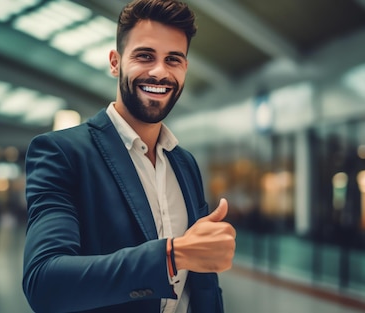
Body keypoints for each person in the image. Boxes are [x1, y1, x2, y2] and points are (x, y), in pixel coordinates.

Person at [22, 1, 236, 312]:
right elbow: (44, 282)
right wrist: (172, 256)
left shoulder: (184, 163)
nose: (160, 72)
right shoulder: (62, 153)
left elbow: (201, 286)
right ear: (115, 62)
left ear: (185, 69)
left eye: (173, 60)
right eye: (145, 56)